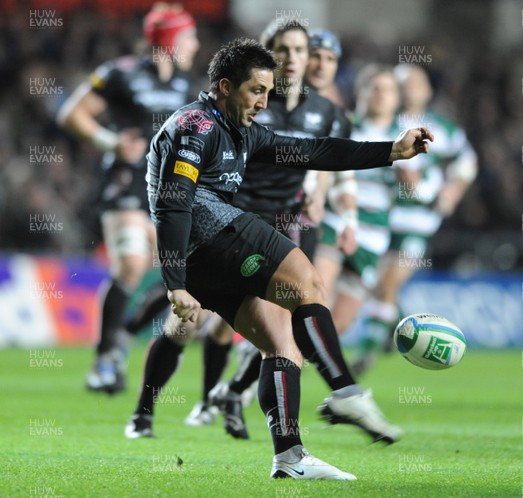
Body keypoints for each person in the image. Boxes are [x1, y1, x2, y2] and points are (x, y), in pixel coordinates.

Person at [124, 37, 433, 480]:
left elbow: (314, 152)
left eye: (269, 92)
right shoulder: (197, 127)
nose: (264, 102)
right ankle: (345, 390)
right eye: (256, 91)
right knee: (309, 284)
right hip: (212, 234)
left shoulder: (244, 132)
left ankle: (289, 455)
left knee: (282, 347)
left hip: (205, 261)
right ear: (225, 86)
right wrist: (174, 283)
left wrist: (390, 151)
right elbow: (173, 203)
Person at [185, 19, 356, 440]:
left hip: (289, 221)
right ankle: (214, 395)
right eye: (298, 52)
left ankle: (246, 407)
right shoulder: (254, 103)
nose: (310, 62)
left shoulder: (328, 112)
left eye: (322, 57)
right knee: (231, 325)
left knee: (283, 326)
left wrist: (327, 197)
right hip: (235, 220)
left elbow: (323, 157)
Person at [57, 3, 200, 393]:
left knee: (190, 275)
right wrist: (110, 142)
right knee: (133, 264)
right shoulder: (121, 73)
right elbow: (72, 113)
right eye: (188, 36)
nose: (196, 43)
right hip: (127, 184)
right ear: (170, 40)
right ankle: (104, 361)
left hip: (170, 191)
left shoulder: (187, 86)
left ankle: (124, 336)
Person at [353, 63, 477, 373]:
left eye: (416, 84)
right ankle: (396, 325)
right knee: (372, 284)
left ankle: (364, 357)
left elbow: (466, 161)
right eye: (402, 85)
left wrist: (451, 193)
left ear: (428, 90)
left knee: (387, 284)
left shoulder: (442, 129)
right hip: (377, 218)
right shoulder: (381, 123)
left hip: (418, 222)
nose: (409, 90)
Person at [314, 64, 401, 352]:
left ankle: (281, 365)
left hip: (373, 237)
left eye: (387, 90)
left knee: (338, 326)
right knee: (314, 302)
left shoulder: (406, 137)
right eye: (373, 88)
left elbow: (427, 189)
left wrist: (413, 183)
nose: (380, 95)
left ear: (396, 98)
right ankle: (269, 369)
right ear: (360, 92)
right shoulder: (343, 125)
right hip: (334, 222)